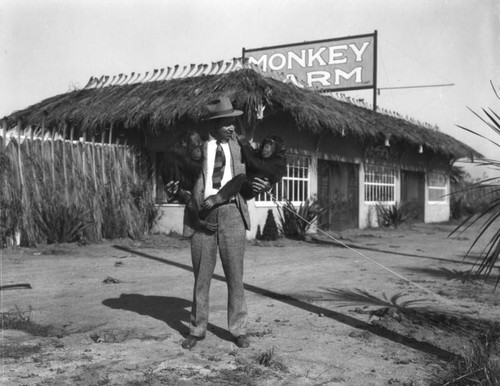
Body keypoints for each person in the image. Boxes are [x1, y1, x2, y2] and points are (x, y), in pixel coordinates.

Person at [181, 96, 270, 350]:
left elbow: (254, 176)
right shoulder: (197, 148)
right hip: (203, 216)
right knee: (201, 277)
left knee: (235, 276)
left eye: (234, 122)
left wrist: (265, 184)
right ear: (214, 124)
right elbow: (182, 182)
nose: (232, 127)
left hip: (232, 213)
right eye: (227, 123)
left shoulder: (241, 146)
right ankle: (197, 330)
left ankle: (239, 329)